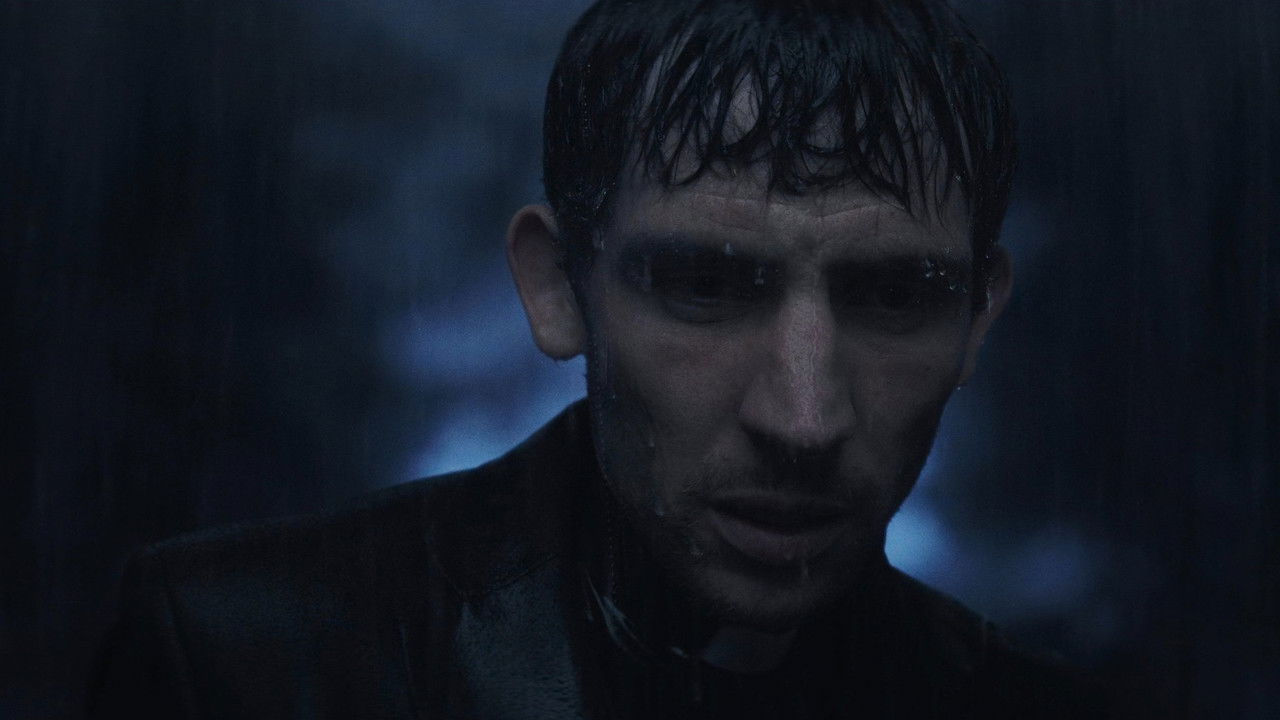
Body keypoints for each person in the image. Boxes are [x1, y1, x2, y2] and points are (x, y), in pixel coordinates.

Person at [90, 0, 1099, 717]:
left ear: (976, 318)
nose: (804, 419)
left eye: (893, 298)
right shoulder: (244, 661)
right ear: (557, 286)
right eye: (705, 285)